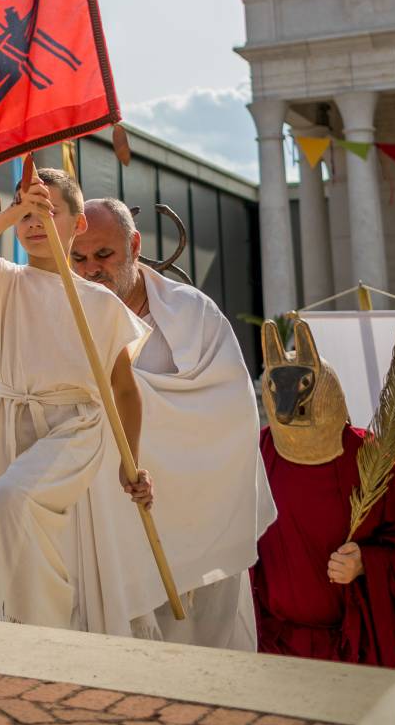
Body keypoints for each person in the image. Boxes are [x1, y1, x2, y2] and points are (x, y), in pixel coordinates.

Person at [0, 166, 161, 637]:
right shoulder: (5, 278)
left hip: (76, 428)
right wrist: (8, 215)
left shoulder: (97, 303)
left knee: (13, 497)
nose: (34, 222)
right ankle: (32, 625)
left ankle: (47, 618)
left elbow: (123, 388)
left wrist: (130, 462)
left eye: (47, 211)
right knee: (18, 525)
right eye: (26, 214)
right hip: (14, 421)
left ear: (77, 225)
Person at [71, 199, 276, 650]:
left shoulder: (194, 313)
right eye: (78, 258)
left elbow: (230, 414)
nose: (91, 270)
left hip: (196, 512)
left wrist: (136, 411)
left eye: (104, 255)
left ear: (135, 245)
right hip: (105, 513)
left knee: (202, 645)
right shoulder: (64, 315)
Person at [251, 319, 395, 667]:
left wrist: (367, 562)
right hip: (274, 645)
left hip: (351, 646)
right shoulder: (260, 450)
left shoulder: (363, 453)